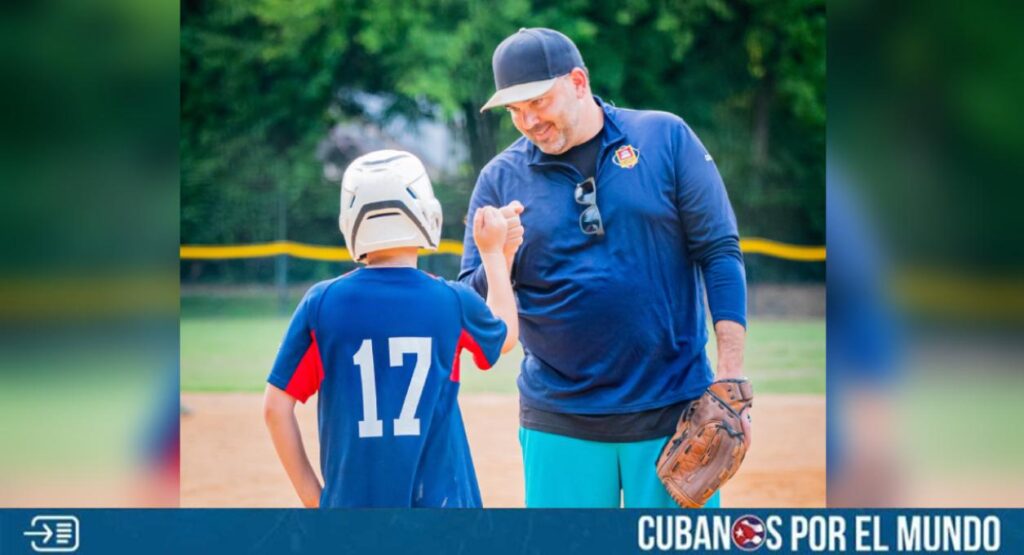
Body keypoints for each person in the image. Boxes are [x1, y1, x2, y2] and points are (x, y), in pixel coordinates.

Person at [459, 28, 748, 508]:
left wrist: (730, 376)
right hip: (558, 420)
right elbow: (476, 308)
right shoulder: (500, 179)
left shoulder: (665, 138)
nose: (528, 120)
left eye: (538, 101)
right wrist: (498, 255)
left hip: (673, 415)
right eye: (514, 111)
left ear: (577, 80)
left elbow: (719, 251)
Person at [263, 150, 519, 508]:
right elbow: (505, 336)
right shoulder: (450, 300)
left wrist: (316, 499)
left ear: (350, 223)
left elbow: (275, 409)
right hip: (443, 506)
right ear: (428, 216)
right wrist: (494, 256)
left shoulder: (321, 303)